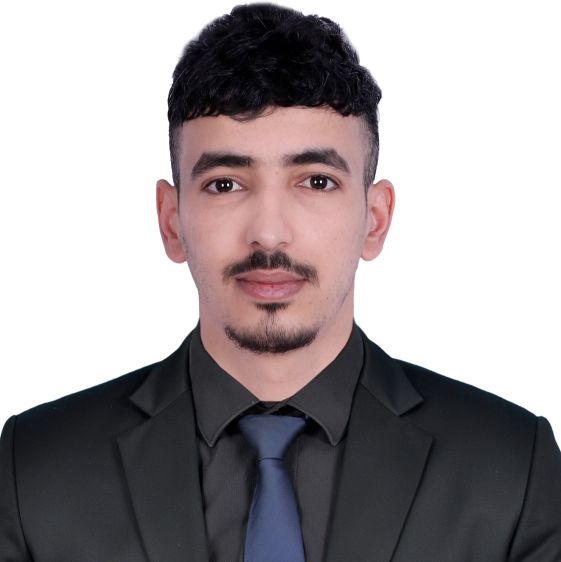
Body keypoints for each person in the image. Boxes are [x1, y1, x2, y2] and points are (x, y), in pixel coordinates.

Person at [1, 3, 560, 561]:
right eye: (225, 184)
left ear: (375, 220)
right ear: (171, 222)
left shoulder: (514, 470)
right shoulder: (34, 471)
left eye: (316, 181)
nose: (269, 234)